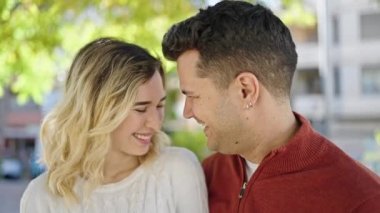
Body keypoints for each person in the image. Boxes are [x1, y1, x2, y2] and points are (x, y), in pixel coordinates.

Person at [162, 1, 380, 212]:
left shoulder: (362, 200)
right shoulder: (206, 176)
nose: (187, 112)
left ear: (245, 90)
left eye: (193, 96)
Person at [20, 37, 208, 213]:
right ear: (97, 109)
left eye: (159, 105)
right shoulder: (42, 197)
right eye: (141, 109)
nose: (155, 122)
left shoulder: (178, 170)